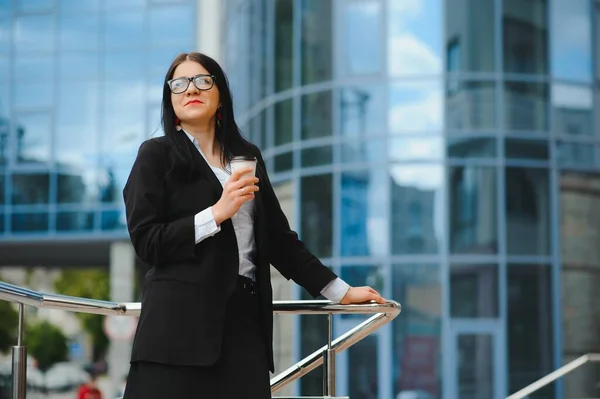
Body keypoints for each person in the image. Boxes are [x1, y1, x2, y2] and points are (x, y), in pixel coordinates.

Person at [121, 52, 385, 399]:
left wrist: (339, 291)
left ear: (220, 97)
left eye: (202, 80)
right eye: (179, 84)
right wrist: (217, 213)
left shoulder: (247, 157)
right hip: (177, 332)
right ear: (170, 101)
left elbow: (279, 239)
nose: (190, 89)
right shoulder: (156, 155)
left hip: (244, 326)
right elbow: (147, 242)